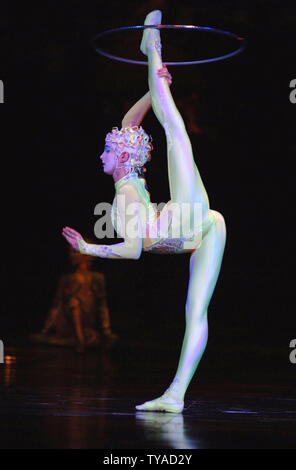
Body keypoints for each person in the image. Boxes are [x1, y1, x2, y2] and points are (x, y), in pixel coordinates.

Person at [62, 10, 226, 412]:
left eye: (107, 148)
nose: (101, 153)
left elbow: (133, 250)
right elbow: (127, 123)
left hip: (190, 223)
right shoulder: (126, 184)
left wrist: (90, 248)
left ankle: (152, 44)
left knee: (175, 133)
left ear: (121, 155)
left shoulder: (126, 193)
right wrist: (154, 92)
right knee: (195, 310)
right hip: (198, 227)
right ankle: (175, 395)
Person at [30, 244, 117, 352]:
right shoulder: (66, 278)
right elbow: (57, 305)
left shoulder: (97, 278)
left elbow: (102, 306)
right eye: (71, 252)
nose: (71, 255)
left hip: (87, 320)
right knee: (73, 302)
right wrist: (45, 330)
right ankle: (79, 339)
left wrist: (106, 332)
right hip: (68, 321)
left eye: (75, 252)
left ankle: (80, 339)